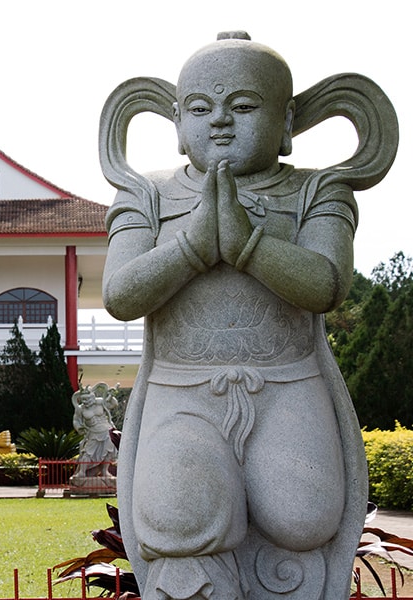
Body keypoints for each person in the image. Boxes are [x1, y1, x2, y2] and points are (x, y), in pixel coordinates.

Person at [100, 32, 397, 600]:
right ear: (176, 121)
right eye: (200, 108)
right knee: (179, 516)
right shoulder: (148, 195)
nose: (220, 122)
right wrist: (192, 248)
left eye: (242, 106)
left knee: (303, 518)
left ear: (286, 123)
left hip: (287, 383)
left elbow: (328, 285)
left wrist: (245, 245)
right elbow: (120, 295)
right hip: (181, 390)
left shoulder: (316, 190)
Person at [71, 382, 118, 477]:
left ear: (93, 396)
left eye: (88, 398)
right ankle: (82, 472)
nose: (87, 401)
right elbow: (76, 420)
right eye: (84, 399)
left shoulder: (100, 402)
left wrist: (111, 396)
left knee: (108, 452)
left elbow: (114, 404)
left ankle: (105, 471)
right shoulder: (80, 409)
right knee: (87, 453)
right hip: (93, 432)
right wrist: (79, 427)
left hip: (107, 431)